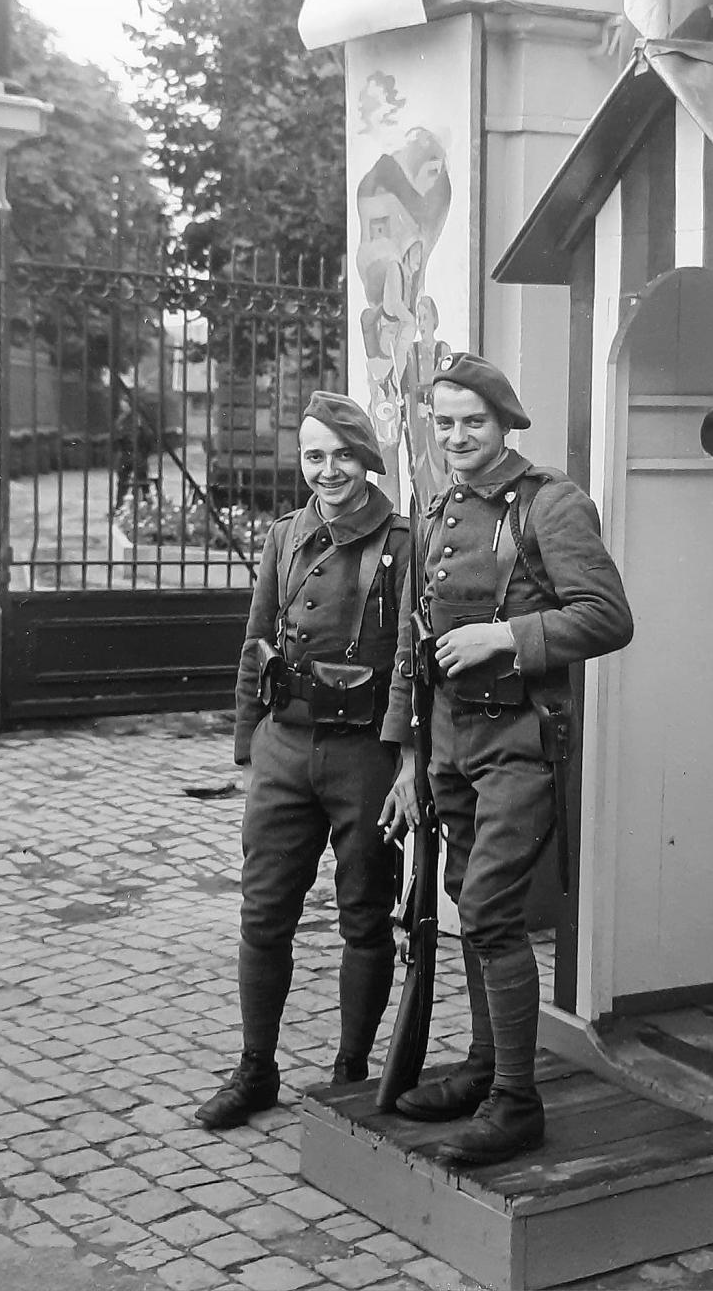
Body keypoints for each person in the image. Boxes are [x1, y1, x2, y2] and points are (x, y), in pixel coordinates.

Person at [379, 352, 633, 1165]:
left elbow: (607, 617)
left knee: (489, 906)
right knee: (461, 897)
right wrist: (409, 753)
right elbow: (409, 645)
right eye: (443, 422)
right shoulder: (437, 509)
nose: (455, 437)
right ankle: (487, 1066)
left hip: (521, 740)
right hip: (450, 740)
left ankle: (517, 1105)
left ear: (504, 424)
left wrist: (507, 636)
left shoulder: (549, 504)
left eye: (472, 422)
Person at [195, 391, 408, 1131]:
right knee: (263, 914)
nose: (327, 471)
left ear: (367, 460)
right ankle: (256, 1069)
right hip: (285, 748)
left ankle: (350, 1074)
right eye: (313, 456)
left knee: (364, 917)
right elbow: (256, 643)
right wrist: (251, 750)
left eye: (342, 455)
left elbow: (415, 662)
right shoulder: (286, 535)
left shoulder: (403, 542)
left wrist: (409, 761)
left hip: (364, 758)